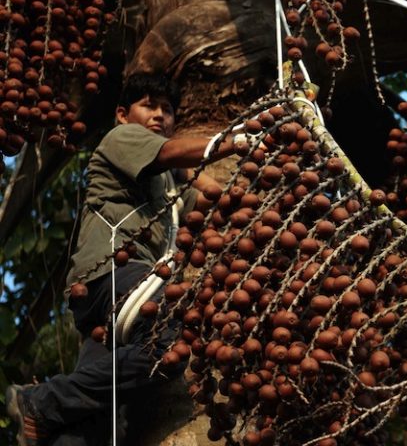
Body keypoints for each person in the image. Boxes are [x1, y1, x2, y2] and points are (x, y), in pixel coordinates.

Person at [6, 73, 239, 445]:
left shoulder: (168, 190)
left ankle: (48, 415)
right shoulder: (121, 138)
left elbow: (218, 199)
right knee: (166, 345)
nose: (159, 115)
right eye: (149, 106)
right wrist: (243, 138)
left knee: (96, 424)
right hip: (113, 273)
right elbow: (169, 152)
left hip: (107, 297)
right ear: (121, 114)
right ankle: (42, 400)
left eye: (167, 110)